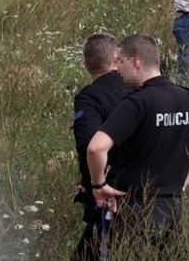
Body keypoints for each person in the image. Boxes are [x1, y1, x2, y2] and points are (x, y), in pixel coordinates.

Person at [87, 34, 189, 258]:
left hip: (135, 209)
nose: (119, 72)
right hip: (173, 209)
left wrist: (98, 185)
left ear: (136, 62)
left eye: (121, 63)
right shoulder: (188, 98)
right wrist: (184, 180)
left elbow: (96, 147)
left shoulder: (136, 102)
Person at [71, 33, 130, 261]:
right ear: (118, 59)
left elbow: (89, 144)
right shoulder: (141, 89)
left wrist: (93, 184)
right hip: (155, 192)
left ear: (86, 63)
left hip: (109, 194)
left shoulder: (90, 98)